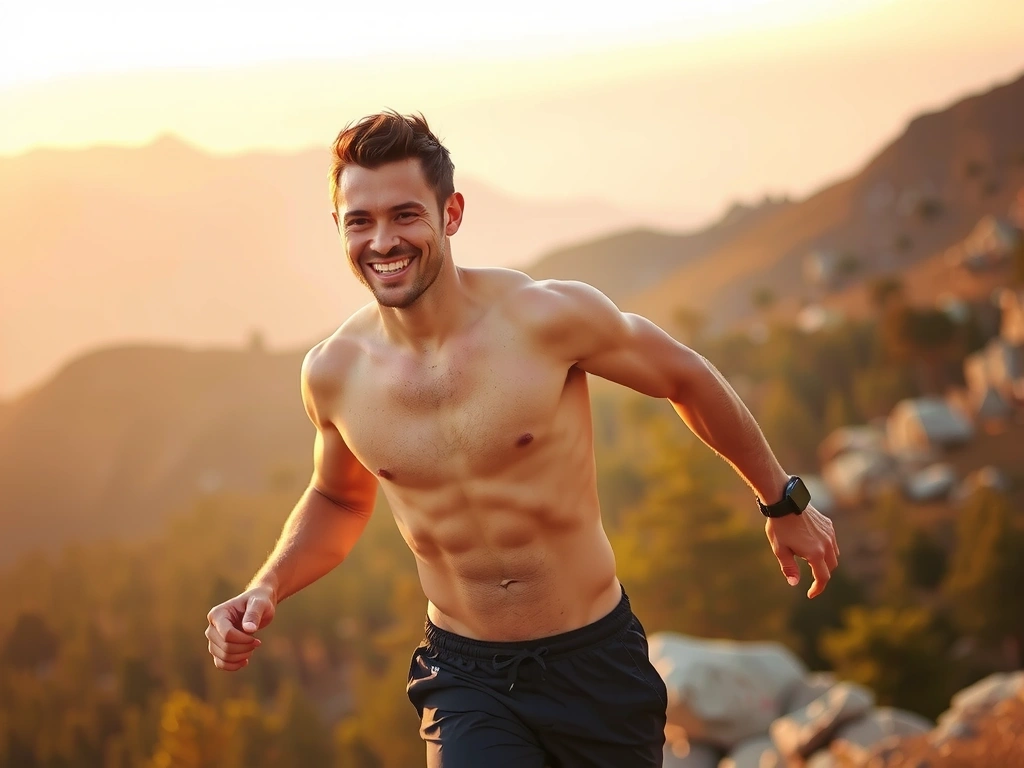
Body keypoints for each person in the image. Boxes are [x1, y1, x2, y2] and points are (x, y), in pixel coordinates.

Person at [205, 111, 840, 767]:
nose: (382, 240)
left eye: (405, 215)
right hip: (465, 675)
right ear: (338, 228)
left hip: (593, 658)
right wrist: (266, 585)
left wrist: (781, 500)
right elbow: (337, 501)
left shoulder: (545, 318)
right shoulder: (333, 373)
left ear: (450, 213)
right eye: (359, 221)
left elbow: (687, 376)